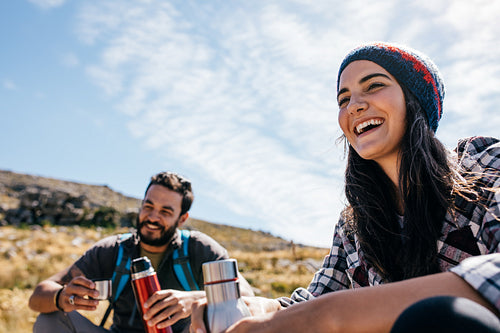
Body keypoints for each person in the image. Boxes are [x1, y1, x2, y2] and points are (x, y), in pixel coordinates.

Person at [190, 42, 500, 332]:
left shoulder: (486, 164)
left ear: (415, 99)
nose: (354, 105)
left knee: (444, 316)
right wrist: (260, 307)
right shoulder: (353, 226)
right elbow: (315, 299)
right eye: (344, 98)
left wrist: (327, 316)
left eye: (374, 86)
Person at [29, 171, 254, 333]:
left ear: (182, 218)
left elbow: (247, 297)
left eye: (165, 211)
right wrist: (62, 297)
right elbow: (38, 295)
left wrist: (195, 299)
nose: (153, 217)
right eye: (148, 206)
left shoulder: (199, 248)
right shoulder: (113, 250)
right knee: (50, 319)